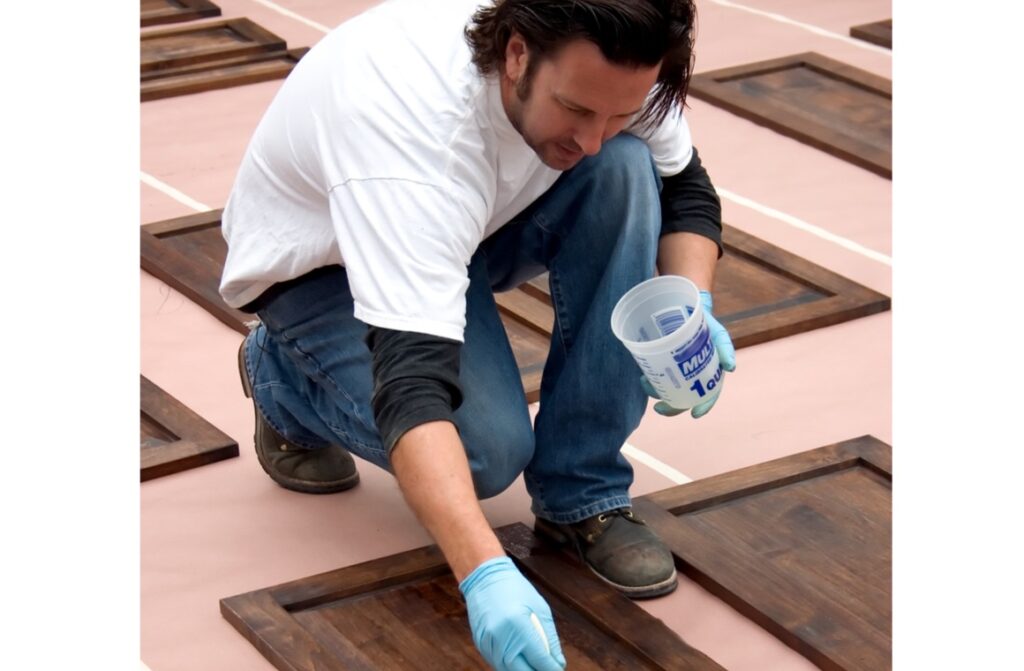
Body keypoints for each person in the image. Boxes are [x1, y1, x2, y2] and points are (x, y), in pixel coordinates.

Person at [220, 0, 736, 668]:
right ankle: (283, 374)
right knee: (483, 453)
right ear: (517, 54)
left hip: (468, 223)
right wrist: (483, 573)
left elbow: (685, 187)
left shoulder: (609, 70)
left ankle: (583, 493)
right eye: (576, 110)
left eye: (617, 113)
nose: (593, 135)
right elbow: (412, 385)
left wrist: (691, 302)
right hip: (322, 267)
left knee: (625, 170)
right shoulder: (409, 133)